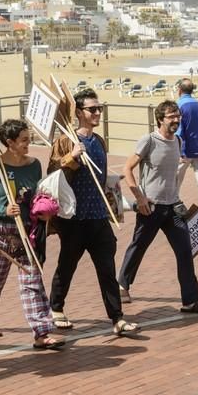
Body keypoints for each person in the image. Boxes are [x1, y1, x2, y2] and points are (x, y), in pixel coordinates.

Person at [47, 88, 138, 336]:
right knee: (67, 264)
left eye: (100, 108)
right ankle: (56, 307)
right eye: (93, 109)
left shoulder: (99, 142)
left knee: (107, 267)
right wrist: (72, 157)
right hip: (74, 217)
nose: (98, 113)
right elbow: (53, 175)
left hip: (98, 215)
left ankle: (117, 318)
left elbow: (99, 174)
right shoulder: (65, 141)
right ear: (78, 113)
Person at [0, 119, 63, 349]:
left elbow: (36, 194)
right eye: (23, 140)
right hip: (0, 231)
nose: (28, 143)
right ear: (10, 142)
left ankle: (41, 331)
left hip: (27, 231)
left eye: (28, 138)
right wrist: (2, 209)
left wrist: (43, 208)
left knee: (32, 278)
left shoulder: (34, 165)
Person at [117, 100, 198, 314]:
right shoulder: (149, 141)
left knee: (185, 251)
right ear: (160, 119)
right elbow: (127, 168)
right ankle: (122, 285)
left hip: (173, 207)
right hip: (150, 208)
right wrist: (139, 197)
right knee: (139, 246)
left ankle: (191, 300)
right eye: (171, 116)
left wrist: (179, 199)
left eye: (177, 116)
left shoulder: (178, 141)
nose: (176, 120)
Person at [175, 78, 198, 209]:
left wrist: (178, 151)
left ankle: (173, 205)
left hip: (185, 150)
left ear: (179, 90)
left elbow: (178, 131)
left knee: (177, 180)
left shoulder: (179, 105)